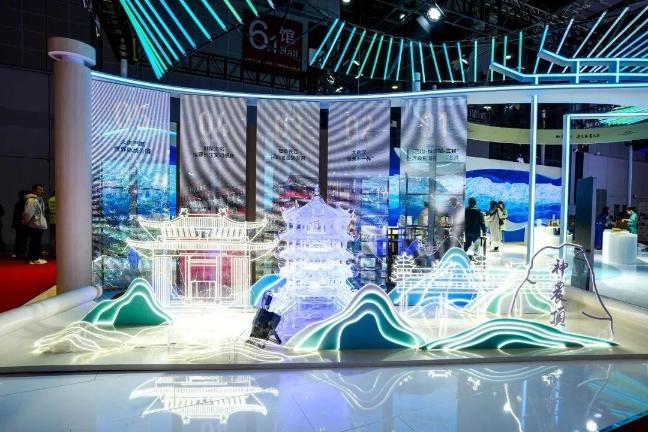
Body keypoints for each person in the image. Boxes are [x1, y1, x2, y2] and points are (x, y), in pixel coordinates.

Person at [23, 184, 48, 264]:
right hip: (34, 224)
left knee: (36, 242)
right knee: (34, 242)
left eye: (43, 190)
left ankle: (35, 258)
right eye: (40, 190)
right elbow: (28, 213)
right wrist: (26, 221)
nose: (42, 191)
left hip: (38, 224)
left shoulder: (39, 199)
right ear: (34, 191)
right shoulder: (32, 200)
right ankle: (34, 258)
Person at [11, 190, 29, 259]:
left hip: (18, 224)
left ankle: (17, 252)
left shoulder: (18, 203)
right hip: (23, 223)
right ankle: (21, 253)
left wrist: (14, 223)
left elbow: (15, 215)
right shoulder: (24, 203)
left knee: (19, 238)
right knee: (23, 239)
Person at [47, 191, 56, 258]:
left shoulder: (50, 200)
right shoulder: (60, 198)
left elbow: (47, 210)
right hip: (60, 221)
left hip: (52, 220)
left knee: (52, 237)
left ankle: (53, 252)